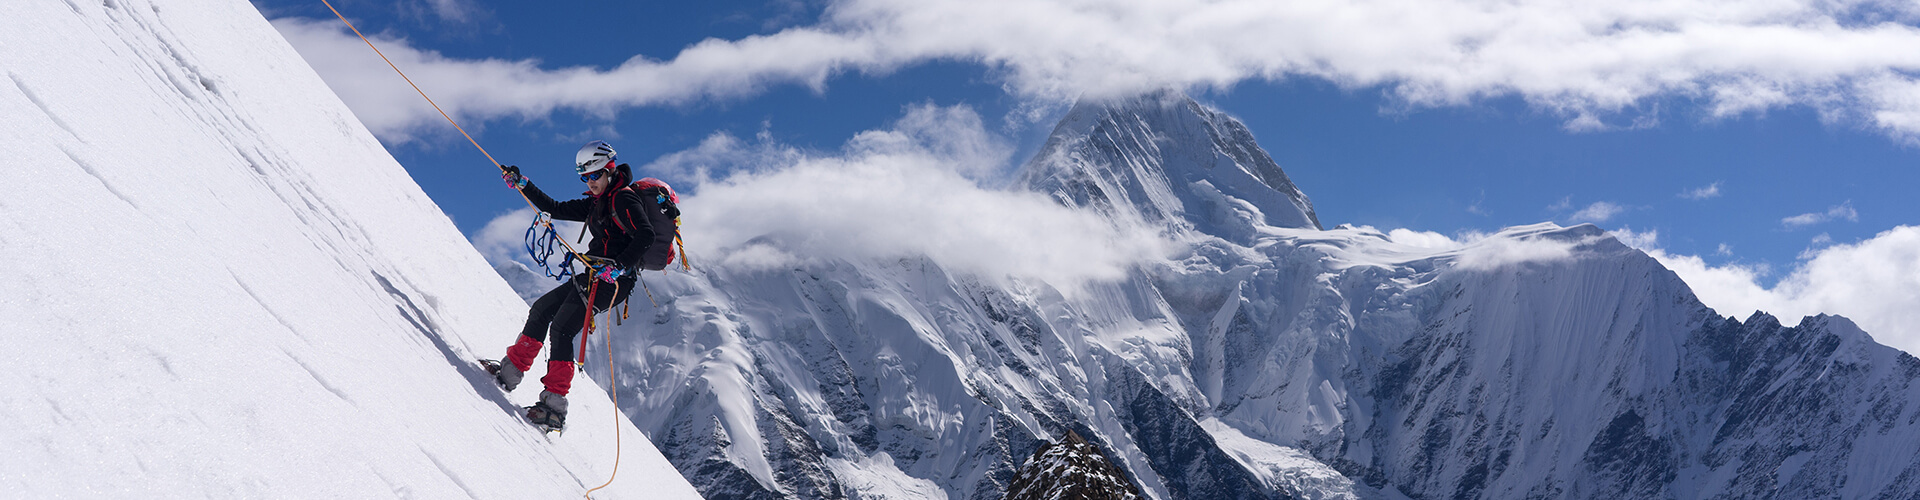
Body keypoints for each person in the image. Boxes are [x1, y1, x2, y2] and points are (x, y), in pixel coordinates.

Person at [490, 140, 656, 430]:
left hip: (613, 282)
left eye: (594, 176)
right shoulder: (597, 203)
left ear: (609, 170)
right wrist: (522, 183)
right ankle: (509, 373)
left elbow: (646, 235)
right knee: (542, 309)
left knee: (563, 327)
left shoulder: (624, 200)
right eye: (585, 177)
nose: (590, 182)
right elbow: (554, 207)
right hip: (594, 274)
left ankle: (553, 408)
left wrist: (618, 267)